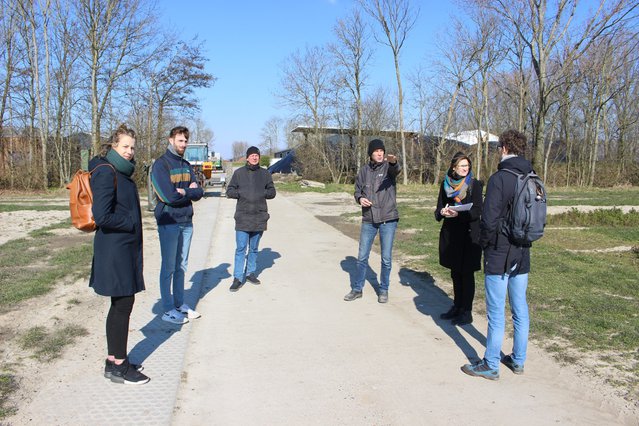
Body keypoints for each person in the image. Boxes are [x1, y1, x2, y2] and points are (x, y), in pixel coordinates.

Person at [461, 129, 533, 381]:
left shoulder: (500, 177)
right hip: (523, 251)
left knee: (496, 311)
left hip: (500, 252)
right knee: (520, 308)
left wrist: (482, 243)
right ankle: (518, 359)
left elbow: (489, 219)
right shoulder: (532, 175)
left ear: (503, 148)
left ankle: (490, 363)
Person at [89, 124, 150, 385]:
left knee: (121, 304)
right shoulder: (106, 172)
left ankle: (114, 360)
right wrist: (130, 222)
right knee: (122, 304)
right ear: (113, 146)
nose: (129, 151)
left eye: (132, 147)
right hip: (115, 250)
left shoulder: (121, 172)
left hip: (123, 248)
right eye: (124, 146)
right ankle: (119, 365)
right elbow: (102, 216)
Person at [151, 126, 204, 324]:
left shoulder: (186, 164)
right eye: (180, 141)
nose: (183, 144)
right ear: (171, 140)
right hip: (169, 222)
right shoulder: (161, 165)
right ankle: (167, 309)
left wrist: (186, 192)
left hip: (186, 222)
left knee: (181, 265)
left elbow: (199, 192)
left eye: (185, 141)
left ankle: (180, 304)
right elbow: (168, 196)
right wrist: (186, 192)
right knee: (169, 267)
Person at [344, 139, 401, 304]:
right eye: (376, 151)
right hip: (368, 219)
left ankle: (384, 290)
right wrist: (360, 198)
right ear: (370, 154)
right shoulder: (363, 171)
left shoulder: (388, 168)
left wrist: (394, 161)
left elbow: (396, 169)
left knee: (386, 258)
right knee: (362, 257)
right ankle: (357, 289)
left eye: (381, 151)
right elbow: (357, 191)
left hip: (388, 219)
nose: (379, 153)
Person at [435, 152, 483, 326]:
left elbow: (478, 210)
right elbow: (440, 205)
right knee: (455, 272)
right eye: (462, 166)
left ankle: (466, 311)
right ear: (454, 167)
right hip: (452, 234)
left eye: (467, 166)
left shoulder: (474, 184)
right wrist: (442, 212)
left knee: (466, 273)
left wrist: (459, 214)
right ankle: (457, 306)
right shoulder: (446, 184)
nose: (465, 169)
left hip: (469, 234)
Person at [226, 146, 277, 291]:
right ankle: (237, 277)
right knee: (241, 248)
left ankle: (250, 273)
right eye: (252, 155)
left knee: (254, 248)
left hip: (259, 216)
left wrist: (262, 193)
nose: (255, 158)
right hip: (243, 216)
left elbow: (272, 192)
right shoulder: (239, 173)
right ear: (247, 157)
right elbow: (230, 191)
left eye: (257, 155)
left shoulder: (265, 174)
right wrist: (241, 193)